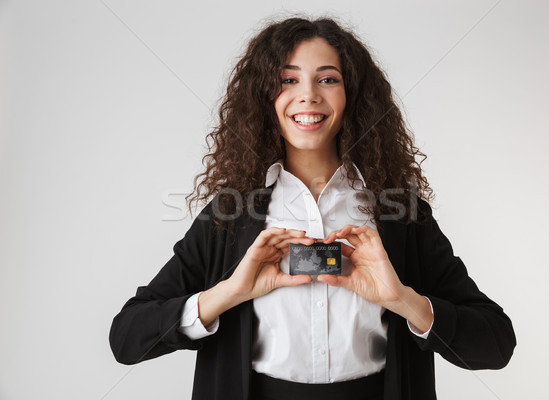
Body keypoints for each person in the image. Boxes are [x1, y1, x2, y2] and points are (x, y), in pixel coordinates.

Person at [109, 15, 516, 400]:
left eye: (327, 78)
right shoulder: (229, 214)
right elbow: (127, 337)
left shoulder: (400, 213)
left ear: (351, 95)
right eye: (288, 79)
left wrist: (402, 299)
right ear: (264, 97)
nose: (308, 95)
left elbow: (496, 344)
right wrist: (229, 292)